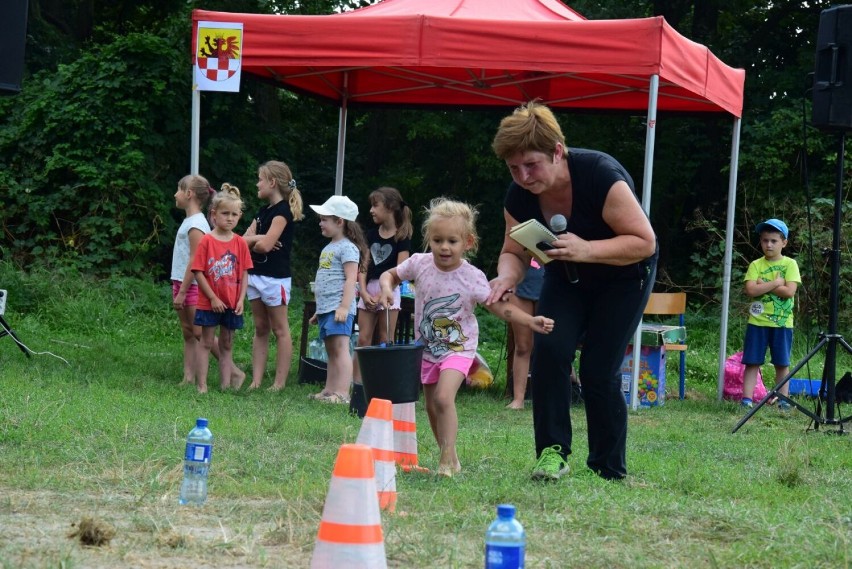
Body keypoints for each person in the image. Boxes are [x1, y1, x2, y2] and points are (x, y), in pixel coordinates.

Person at [487, 101, 657, 481]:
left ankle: (607, 468)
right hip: (566, 277)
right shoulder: (518, 197)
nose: (523, 176)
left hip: (624, 278)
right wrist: (506, 278)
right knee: (549, 352)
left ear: (558, 151)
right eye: (514, 168)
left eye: (531, 165)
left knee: (598, 370)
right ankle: (552, 453)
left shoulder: (600, 175)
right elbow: (513, 251)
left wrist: (588, 249)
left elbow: (644, 241)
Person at [378, 197, 554, 477]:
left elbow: (501, 307)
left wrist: (530, 320)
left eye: (452, 241)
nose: (444, 247)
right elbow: (390, 275)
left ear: (467, 242)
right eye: (437, 240)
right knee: (433, 407)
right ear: (429, 240)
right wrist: (387, 288)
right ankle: (451, 457)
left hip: (459, 349)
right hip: (427, 348)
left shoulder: (471, 276)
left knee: (444, 399)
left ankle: (446, 462)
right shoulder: (419, 264)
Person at [171, 174, 246, 388]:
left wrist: (184, 290)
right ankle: (188, 376)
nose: (175, 194)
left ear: (189, 194)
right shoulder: (190, 221)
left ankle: (233, 372)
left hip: (193, 285)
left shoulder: (197, 225)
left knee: (199, 332)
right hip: (180, 281)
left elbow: (196, 261)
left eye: (179, 189)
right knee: (188, 331)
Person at [350, 187, 414, 417]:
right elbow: (364, 263)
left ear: (389, 208)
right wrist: (365, 292)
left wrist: (382, 294)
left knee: (385, 338)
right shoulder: (370, 233)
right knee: (363, 338)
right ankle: (357, 387)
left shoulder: (402, 237)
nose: (371, 210)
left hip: (390, 289)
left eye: (375, 205)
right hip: (369, 287)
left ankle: (384, 390)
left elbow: (401, 271)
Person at [242, 161, 305, 391]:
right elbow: (242, 241)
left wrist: (257, 240)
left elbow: (265, 246)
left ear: (272, 182)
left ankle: (278, 383)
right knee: (260, 327)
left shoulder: (282, 212)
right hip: (255, 276)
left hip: (274, 279)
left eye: (260, 179)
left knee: (280, 329)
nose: (257, 183)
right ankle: (256, 381)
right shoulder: (263, 212)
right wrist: (257, 240)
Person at [191, 184, 254, 394]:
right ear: (214, 214)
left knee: (227, 344)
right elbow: (198, 271)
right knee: (207, 342)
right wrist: (212, 298)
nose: (229, 218)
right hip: (209, 303)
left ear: (240, 216)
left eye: (234, 214)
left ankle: (226, 386)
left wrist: (241, 299)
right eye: (225, 213)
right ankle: (202, 386)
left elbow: (245, 272)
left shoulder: (240, 243)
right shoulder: (207, 240)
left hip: (231, 302)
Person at [307, 195, 368, 404]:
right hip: (327, 308)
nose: (320, 223)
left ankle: (342, 393)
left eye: (325, 219)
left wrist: (343, 307)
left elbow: (352, 279)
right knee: (331, 350)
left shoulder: (348, 247)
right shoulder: (329, 247)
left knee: (341, 349)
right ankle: (329, 390)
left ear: (339, 221)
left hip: (339, 309)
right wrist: (319, 310)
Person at [740, 218, 801, 411]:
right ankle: (746, 400)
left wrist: (763, 285)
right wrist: (775, 283)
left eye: (774, 241)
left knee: (781, 363)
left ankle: (784, 400)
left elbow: (789, 291)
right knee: (752, 361)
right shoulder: (755, 264)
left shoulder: (790, 264)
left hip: (782, 323)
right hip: (757, 322)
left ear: (784, 243)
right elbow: (750, 290)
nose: (768, 244)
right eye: (765, 240)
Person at [505, 260, 544, 409]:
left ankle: (548, 398)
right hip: (520, 286)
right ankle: (518, 399)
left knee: (549, 346)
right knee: (522, 346)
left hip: (550, 285)